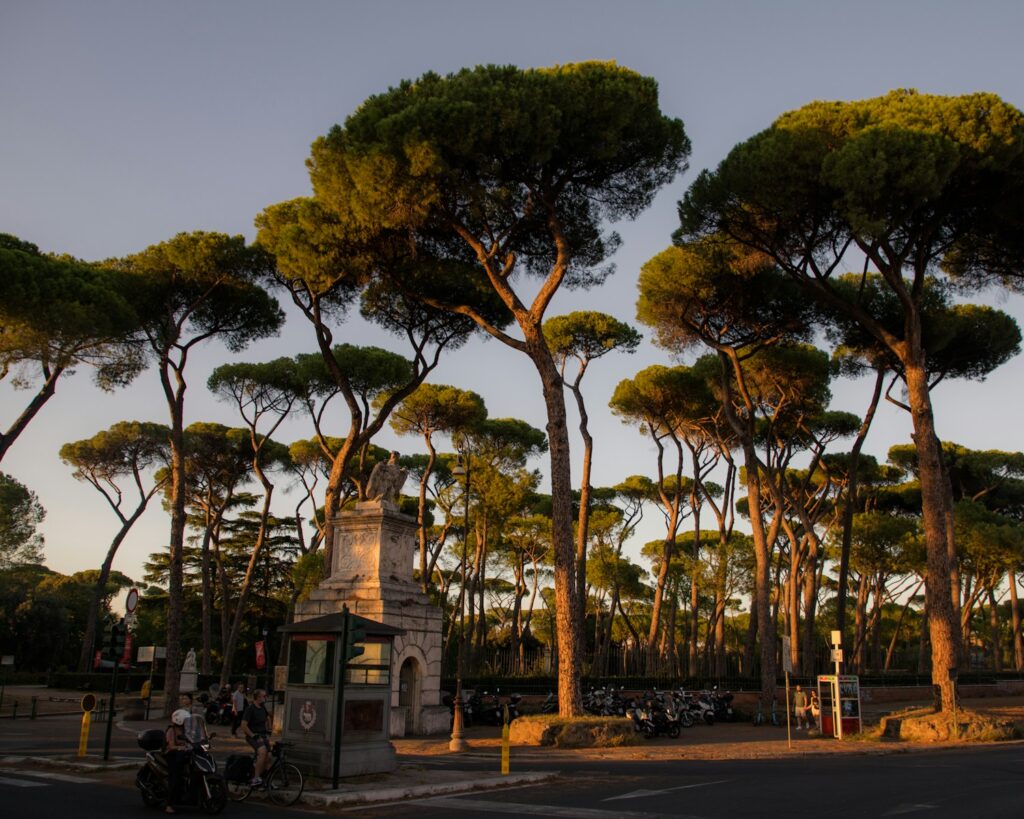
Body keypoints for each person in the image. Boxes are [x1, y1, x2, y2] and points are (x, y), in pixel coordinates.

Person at [240, 688, 272, 785]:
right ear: (258, 697)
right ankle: (256, 778)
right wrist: (253, 735)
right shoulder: (250, 709)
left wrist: (269, 729)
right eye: (264, 696)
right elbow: (243, 725)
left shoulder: (263, 708)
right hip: (253, 735)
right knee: (262, 751)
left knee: (269, 757)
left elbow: (268, 718)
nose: (265, 698)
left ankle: (266, 779)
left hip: (263, 734)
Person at [164, 708, 191, 814]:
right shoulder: (171, 731)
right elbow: (171, 746)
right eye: (185, 720)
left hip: (183, 755)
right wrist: (179, 747)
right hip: (172, 755)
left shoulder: (185, 730)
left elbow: (193, 739)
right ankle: (169, 804)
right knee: (175, 778)